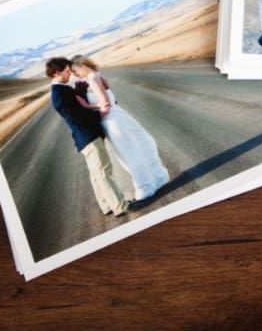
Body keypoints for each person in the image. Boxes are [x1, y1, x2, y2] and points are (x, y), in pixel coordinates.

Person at [70, 56, 170, 201]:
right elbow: (112, 99)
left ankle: (146, 186)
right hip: (119, 115)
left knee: (128, 153)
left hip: (111, 120)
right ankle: (158, 177)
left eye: (75, 70)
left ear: (81, 66)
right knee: (139, 145)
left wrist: (94, 113)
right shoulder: (98, 75)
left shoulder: (91, 79)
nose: (75, 74)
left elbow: (105, 103)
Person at [45, 57, 131, 217]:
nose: (70, 74)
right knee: (103, 170)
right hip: (88, 135)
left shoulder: (62, 90)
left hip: (84, 136)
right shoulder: (60, 94)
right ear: (56, 73)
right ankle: (120, 205)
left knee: (96, 173)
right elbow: (77, 118)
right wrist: (99, 114)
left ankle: (106, 205)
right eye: (67, 72)